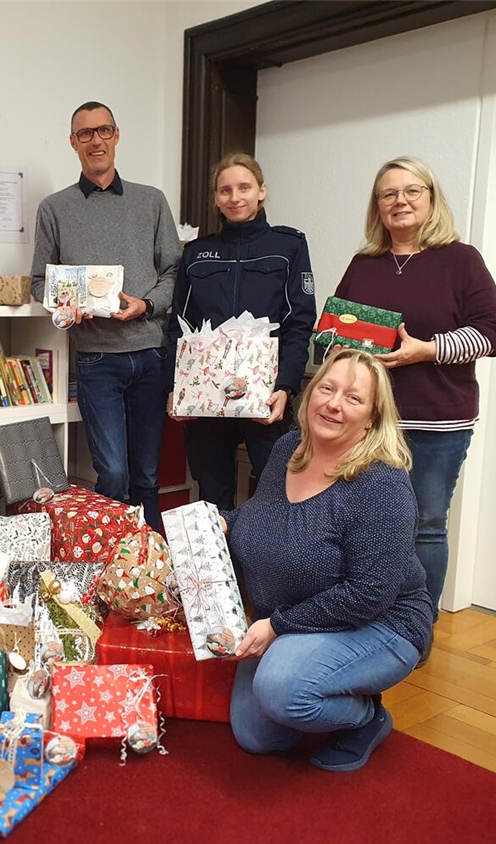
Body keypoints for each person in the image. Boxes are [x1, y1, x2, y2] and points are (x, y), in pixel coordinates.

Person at [225, 349, 433, 772]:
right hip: (293, 614)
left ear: (372, 418)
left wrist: (278, 626)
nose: (334, 404)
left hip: (381, 623)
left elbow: (369, 594)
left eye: (353, 398)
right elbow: (260, 518)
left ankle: (365, 718)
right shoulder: (289, 448)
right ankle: (316, 685)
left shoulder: (382, 485)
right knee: (256, 735)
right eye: (327, 388)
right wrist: (218, 525)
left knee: (282, 689)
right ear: (311, 393)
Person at [333, 156, 496, 621]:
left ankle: (416, 624)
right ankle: (371, 614)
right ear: (378, 206)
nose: (400, 201)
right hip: (368, 423)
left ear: (431, 199)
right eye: (388, 194)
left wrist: (426, 350)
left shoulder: (460, 260)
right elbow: (337, 332)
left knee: (425, 526)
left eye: (412, 191)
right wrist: (333, 345)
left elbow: (491, 333)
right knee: (367, 526)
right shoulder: (363, 264)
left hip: (437, 421)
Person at [31, 101, 181, 530]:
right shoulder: (54, 208)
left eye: (104, 131)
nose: (95, 140)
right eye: (85, 133)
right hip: (97, 360)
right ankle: (108, 571)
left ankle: (151, 571)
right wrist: (64, 306)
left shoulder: (151, 201)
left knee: (147, 476)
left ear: (116, 136)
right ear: (74, 143)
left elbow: (173, 270)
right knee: (113, 474)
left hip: (151, 353)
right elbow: (40, 282)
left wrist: (147, 305)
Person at [166, 152, 316, 509]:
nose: (235, 197)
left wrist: (287, 387)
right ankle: (219, 565)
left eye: (244, 187)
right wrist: (176, 389)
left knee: (272, 497)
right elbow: (179, 328)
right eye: (225, 190)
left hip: (264, 397)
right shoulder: (198, 254)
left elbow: (299, 322)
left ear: (261, 191)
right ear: (216, 198)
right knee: (211, 496)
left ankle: (260, 567)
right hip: (206, 399)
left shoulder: (289, 246)